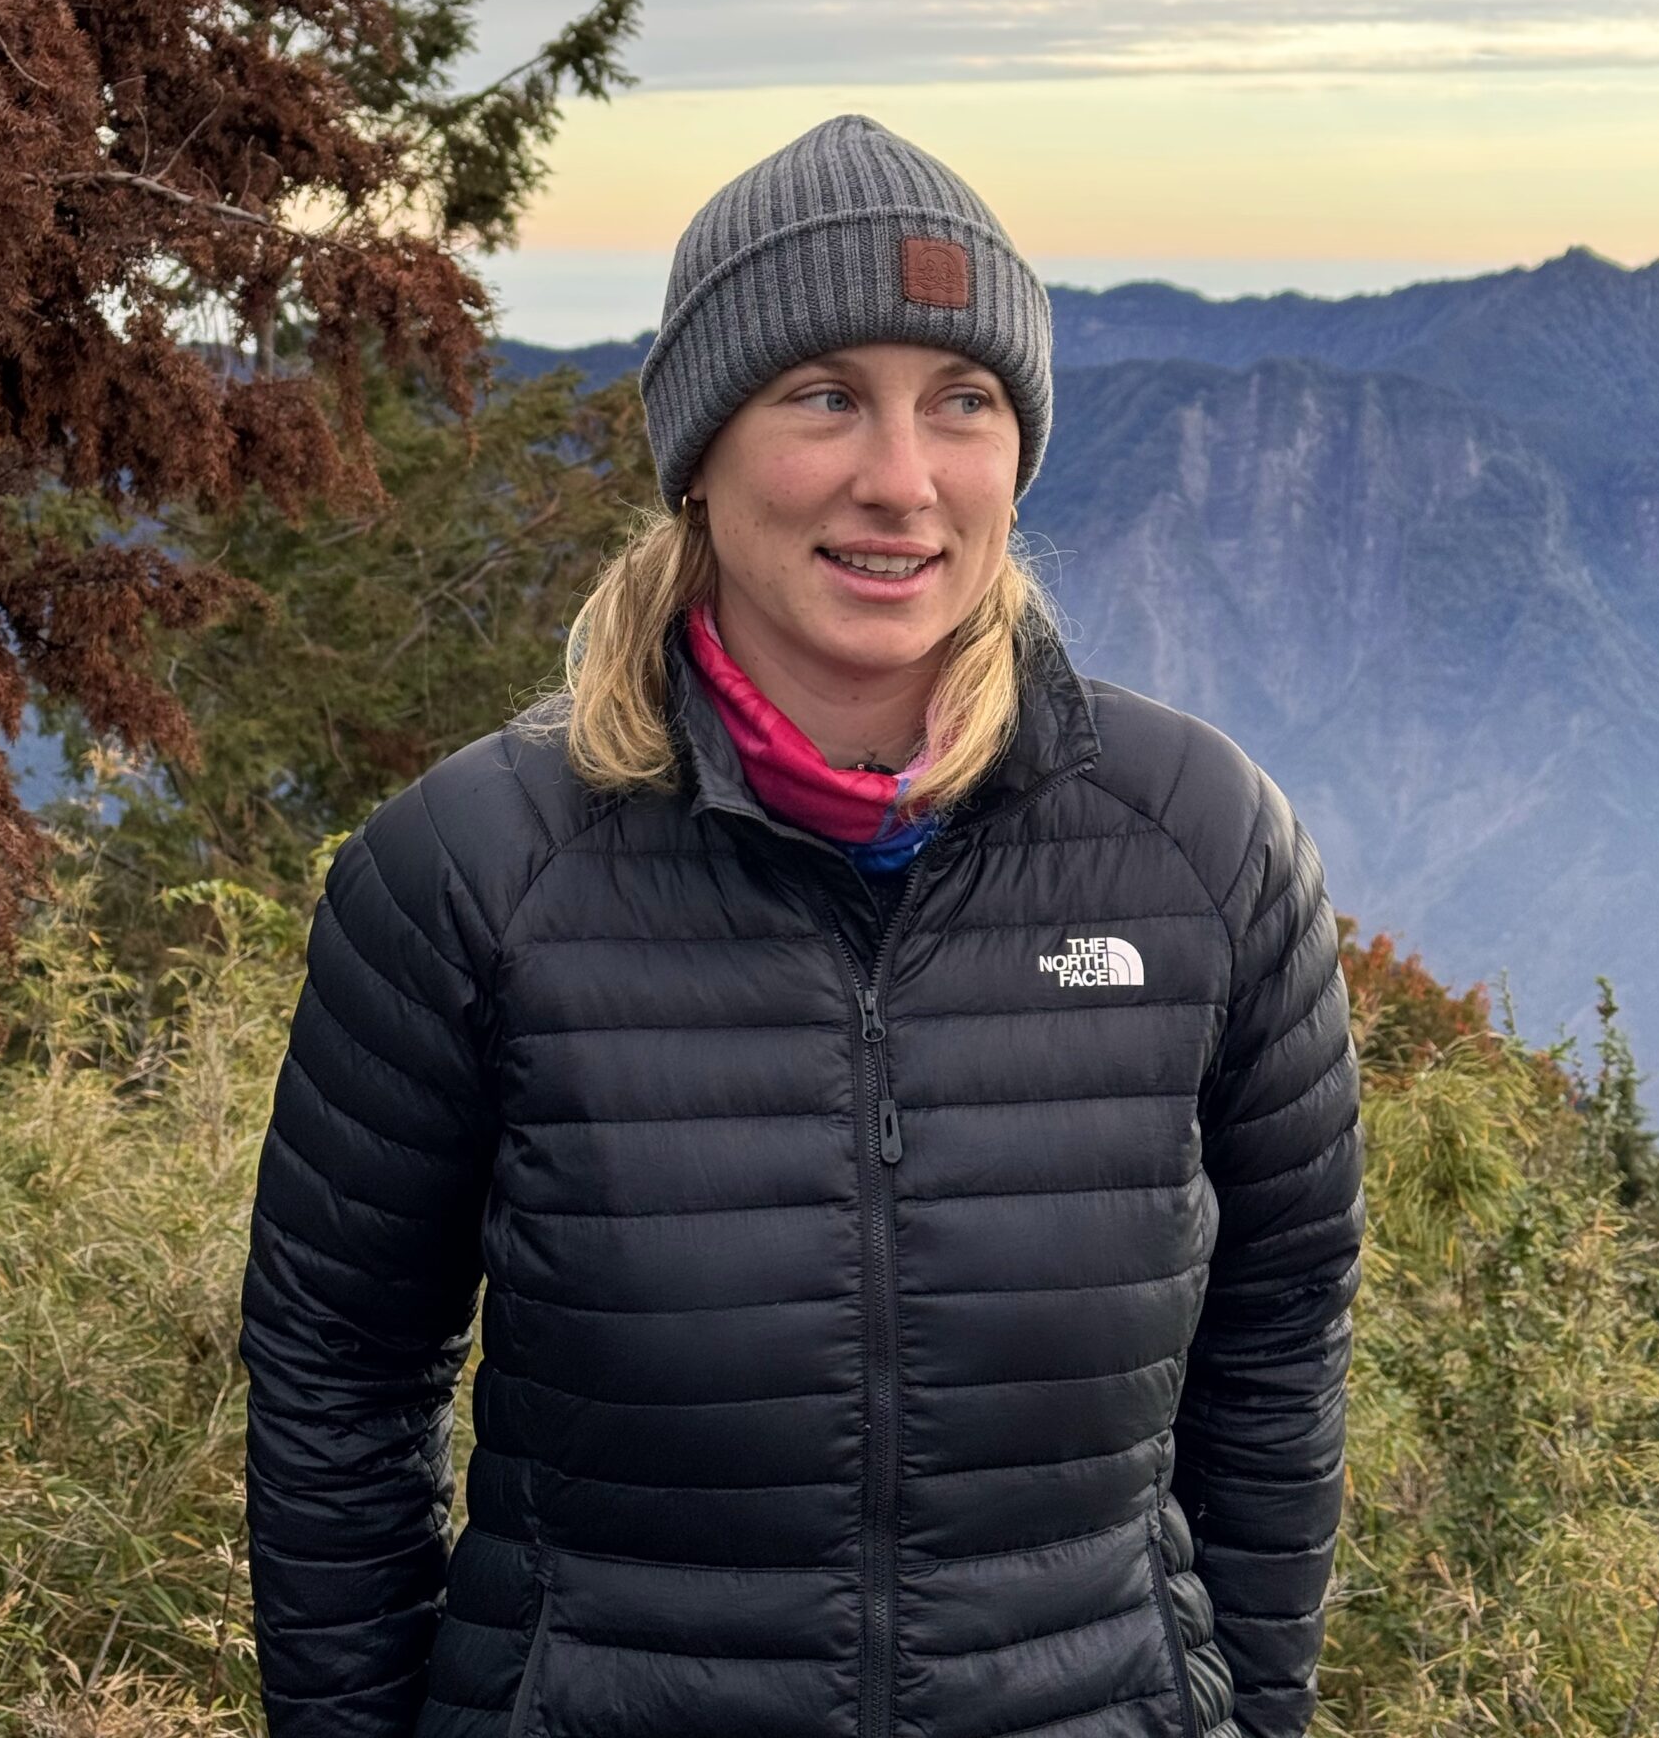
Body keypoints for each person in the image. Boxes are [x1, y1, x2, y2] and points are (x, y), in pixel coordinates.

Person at [239, 112, 1364, 1738]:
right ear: (699, 453)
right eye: (824, 395)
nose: (899, 481)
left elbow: (1280, 1334)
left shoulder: (1197, 844)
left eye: (961, 402)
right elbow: (337, 1372)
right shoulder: (474, 869)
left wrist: (1242, 1715)